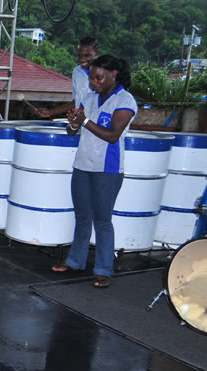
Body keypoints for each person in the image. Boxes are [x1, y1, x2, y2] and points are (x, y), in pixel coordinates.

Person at [51, 55, 137, 289]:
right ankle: (75, 261)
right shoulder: (88, 98)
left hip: (107, 170)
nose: (94, 82)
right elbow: (72, 132)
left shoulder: (125, 101)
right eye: (91, 78)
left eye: (99, 77)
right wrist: (74, 124)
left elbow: (112, 135)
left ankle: (103, 269)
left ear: (113, 75)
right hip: (82, 165)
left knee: (102, 221)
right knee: (82, 217)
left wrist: (85, 120)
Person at [36, 37, 100, 119]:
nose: (82, 59)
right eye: (79, 55)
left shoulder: (106, 73)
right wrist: (50, 112)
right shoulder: (77, 72)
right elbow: (76, 102)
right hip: (81, 124)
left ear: (97, 53)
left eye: (87, 55)